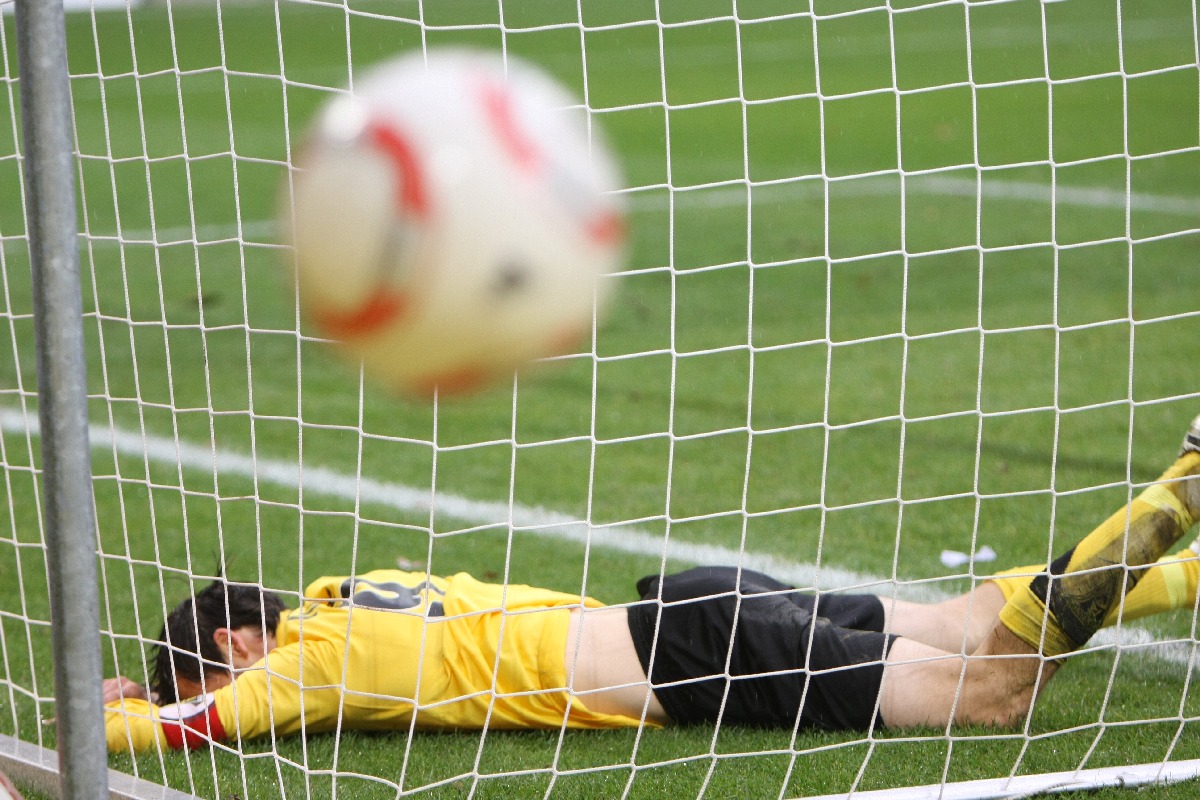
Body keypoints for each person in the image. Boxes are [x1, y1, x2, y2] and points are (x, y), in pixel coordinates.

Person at [103, 416, 1200, 751]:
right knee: (964, 622)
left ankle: (1176, 496)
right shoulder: (355, 589)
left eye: (206, 668)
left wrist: (114, 711)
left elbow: (194, 727)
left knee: (992, 692)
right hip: (687, 604)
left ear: (238, 643)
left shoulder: (312, 658)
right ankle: (1184, 573)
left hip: (691, 653)